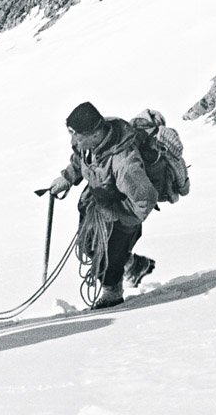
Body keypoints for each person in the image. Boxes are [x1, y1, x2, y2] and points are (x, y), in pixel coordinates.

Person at [48, 100, 159, 308]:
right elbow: (80, 159)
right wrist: (67, 178)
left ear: (95, 134)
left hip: (122, 218)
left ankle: (112, 297)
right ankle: (134, 266)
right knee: (88, 245)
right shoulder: (89, 144)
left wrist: (115, 212)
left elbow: (145, 199)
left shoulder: (124, 163)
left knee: (107, 258)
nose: (73, 140)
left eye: (76, 135)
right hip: (97, 204)